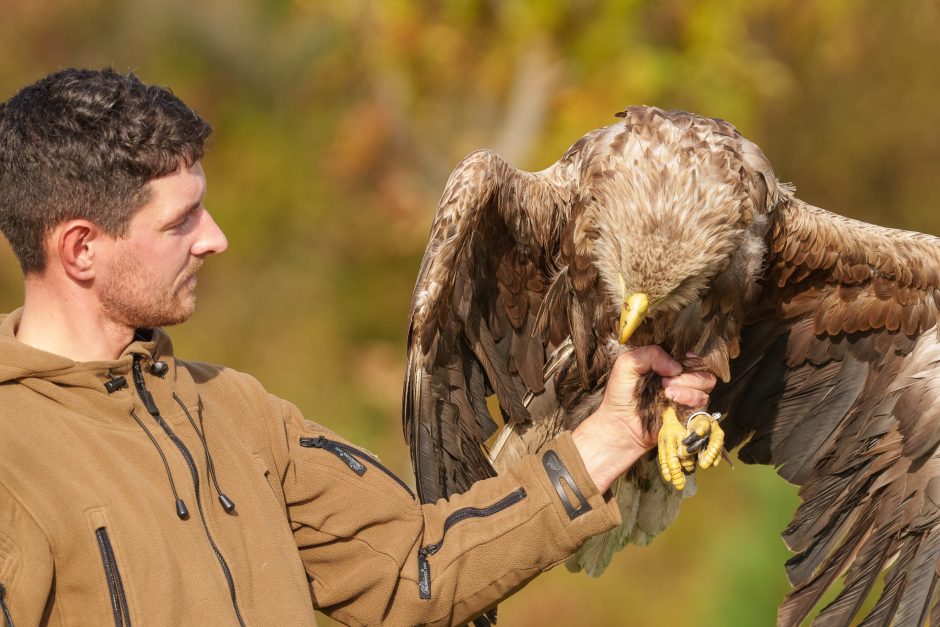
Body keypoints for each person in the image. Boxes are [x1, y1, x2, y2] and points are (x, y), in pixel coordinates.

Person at [0, 68, 716, 627]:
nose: (215, 237)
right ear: (81, 249)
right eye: (180, 222)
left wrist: (613, 437)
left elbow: (416, 567)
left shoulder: (238, 413)